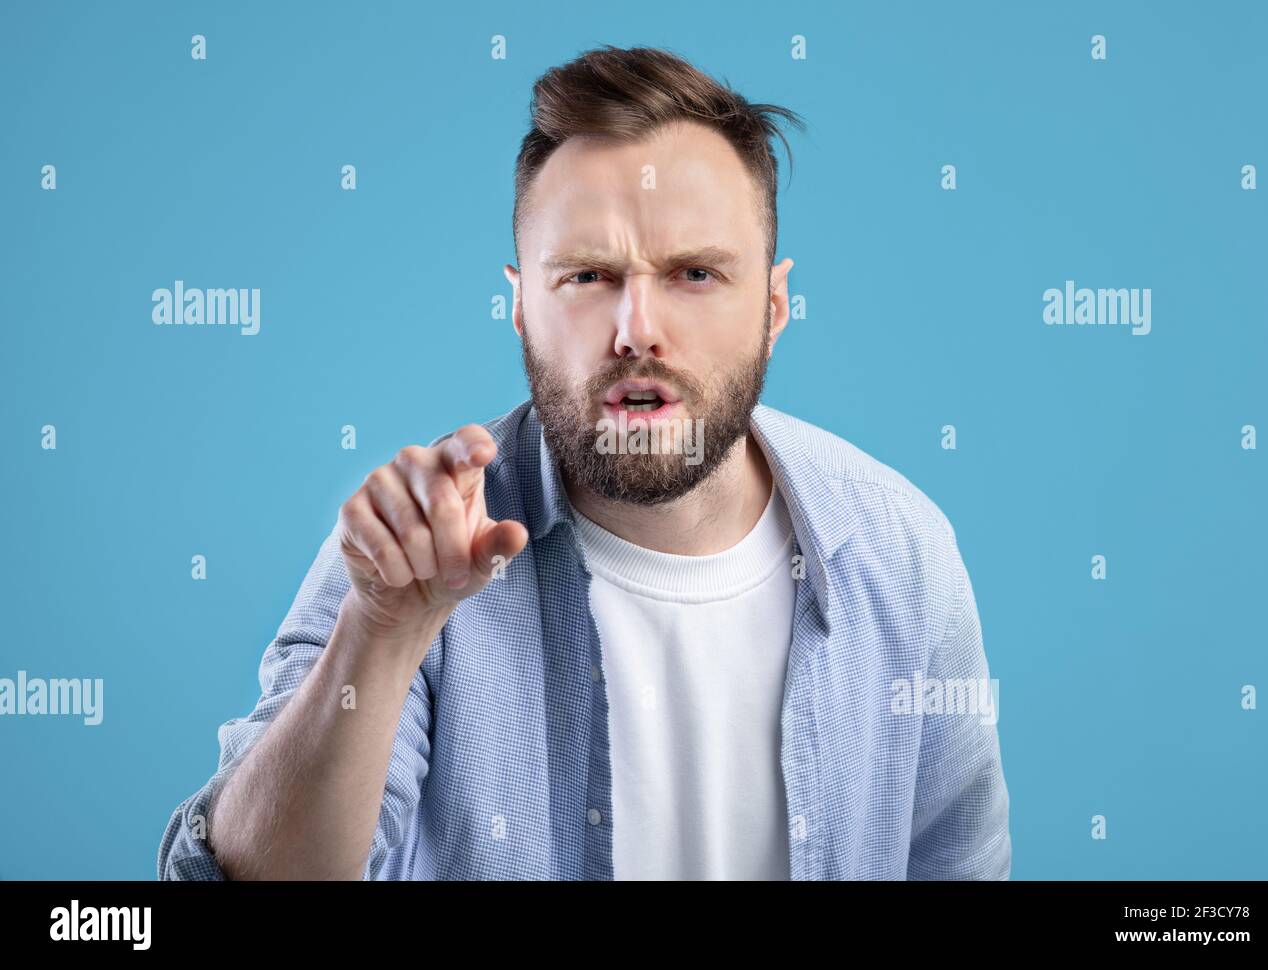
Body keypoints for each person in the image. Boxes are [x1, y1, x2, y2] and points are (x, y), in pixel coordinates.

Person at [158, 44, 1010, 881]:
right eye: (590, 275)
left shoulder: (901, 553)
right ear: (521, 304)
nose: (637, 327)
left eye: (696, 273)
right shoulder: (411, 551)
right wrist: (380, 638)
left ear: (776, 305)